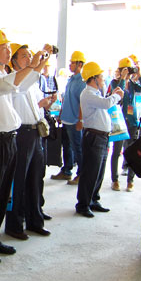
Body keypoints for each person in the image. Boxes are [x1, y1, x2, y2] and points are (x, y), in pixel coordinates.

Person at [0, 28, 48, 264]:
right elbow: (8, 85)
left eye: (8, 47)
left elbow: (21, 86)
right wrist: (32, 66)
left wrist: (37, 67)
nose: (8, 51)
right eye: (3, 48)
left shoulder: (3, 74)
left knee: (3, 193)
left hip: (8, 139)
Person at [5, 44, 56, 239]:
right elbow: (21, 87)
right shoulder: (12, 80)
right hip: (22, 134)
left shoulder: (33, 81)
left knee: (35, 179)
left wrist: (45, 104)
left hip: (36, 132)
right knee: (19, 181)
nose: (29, 58)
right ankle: (14, 224)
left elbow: (36, 105)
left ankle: (35, 220)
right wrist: (38, 64)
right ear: (14, 61)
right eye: (24, 56)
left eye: (29, 55)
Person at [74, 62, 123, 218]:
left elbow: (104, 103)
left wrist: (112, 95)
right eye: (101, 76)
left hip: (101, 137)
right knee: (90, 172)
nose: (103, 79)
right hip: (94, 138)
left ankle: (93, 199)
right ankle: (83, 204)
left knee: (99, 172)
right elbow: (106, 104)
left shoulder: (95, 93)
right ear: (93, 78)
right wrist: (117, 96)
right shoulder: (88, 94)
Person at [109, 58, 141, 192]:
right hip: (119, 121)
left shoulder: (133, 84)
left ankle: (130, 180)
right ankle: (115, 180)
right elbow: (118, 93)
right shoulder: (114, 82)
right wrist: (122, 78)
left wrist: (140, 75)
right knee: (116, 151)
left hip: (132, 121)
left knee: (132, 151)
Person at [51, 51, 86, 185]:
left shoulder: (82, 82)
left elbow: (82, 103)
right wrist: (61, 114)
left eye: (72, 63)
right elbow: (66, 98)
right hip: (66, 119)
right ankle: (66, 171)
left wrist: (80, 120)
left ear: (80, 64)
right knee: (66, 147)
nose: (70, 65)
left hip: (74, 121)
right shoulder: (71, 79)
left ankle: (81, 174)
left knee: (77, 148)